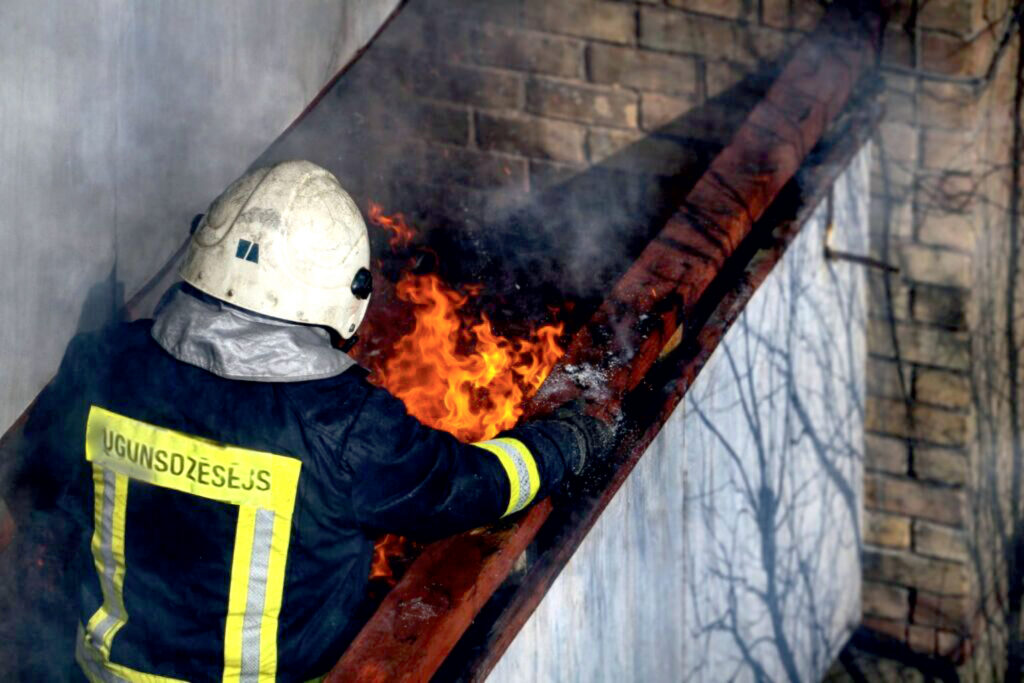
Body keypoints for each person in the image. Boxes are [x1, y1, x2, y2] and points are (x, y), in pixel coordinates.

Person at [3, 160, 612, 682]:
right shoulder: (346, 427)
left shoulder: (104, 363)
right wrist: (564, 443)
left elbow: (34, 486)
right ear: (343, 294)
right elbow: (474, 488)